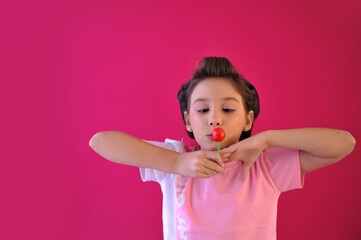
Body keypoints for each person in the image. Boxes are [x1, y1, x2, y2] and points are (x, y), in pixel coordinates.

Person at [89, 57, 356, 240]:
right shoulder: (173, 160)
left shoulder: (264, 166)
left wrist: (266, 140)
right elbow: (100, 142)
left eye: (228, 109)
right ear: (188, 121)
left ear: (248, 119)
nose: (214, 119)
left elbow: (344, 143)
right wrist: (177, 164)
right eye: (202, 109)